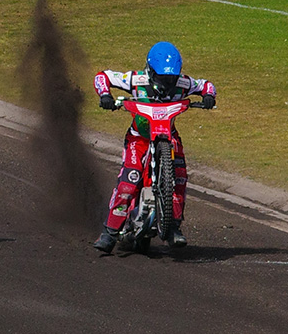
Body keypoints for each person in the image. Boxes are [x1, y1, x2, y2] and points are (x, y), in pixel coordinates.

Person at [92, 42, 216, 253]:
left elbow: (206, 85)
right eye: (162, 78)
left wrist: (209, 97)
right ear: (150, 71)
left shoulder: (184, 83)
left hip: (169, 136)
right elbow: (102, 76)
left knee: (179, 177)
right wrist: (105, 95)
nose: (168, 83)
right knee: (128, 182)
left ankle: (174, 226)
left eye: (171, 78)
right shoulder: (135, 79)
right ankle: (109, 232)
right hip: (138, 139)